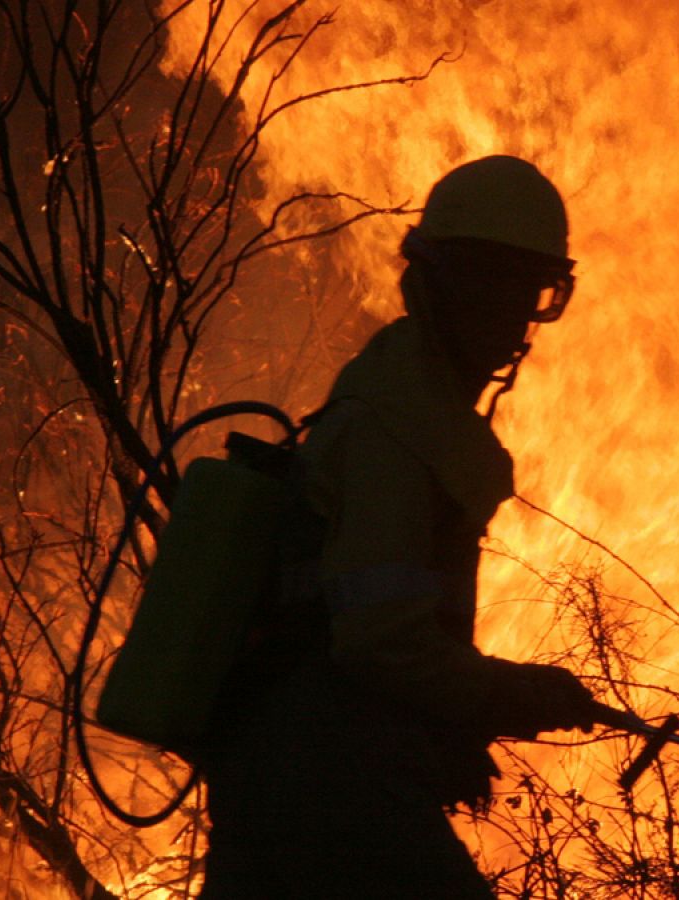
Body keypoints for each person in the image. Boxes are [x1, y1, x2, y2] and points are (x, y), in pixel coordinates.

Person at [198, 156, 597, 898]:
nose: (510, 317)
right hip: (323, 789)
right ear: (438, 285)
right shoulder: (398, 429)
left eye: (527, 291)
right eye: (491, 286)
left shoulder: (410, 404)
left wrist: (450, 731)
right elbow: (379, 640)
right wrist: (512, 696)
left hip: (294, 780)